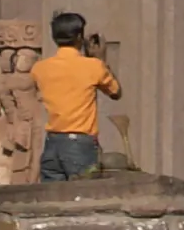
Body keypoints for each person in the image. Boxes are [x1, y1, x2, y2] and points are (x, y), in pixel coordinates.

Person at [30, 12, 118, 181]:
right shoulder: (93, 66)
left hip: (52, 143)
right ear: (79, 36)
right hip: (80, 143)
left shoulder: (39, 68)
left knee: (52, 200)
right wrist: (101, 60)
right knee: (84, 200)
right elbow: (115, 92)